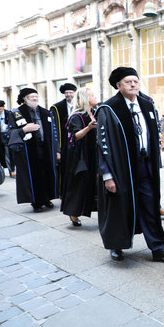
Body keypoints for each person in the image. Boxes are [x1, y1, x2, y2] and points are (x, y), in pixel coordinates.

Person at [95, 67, 164, 262]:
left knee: (150, 204)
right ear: (118, 85)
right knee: (120, 205)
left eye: (135, 81)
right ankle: (116, 245)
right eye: (128, 82)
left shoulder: (147, 104)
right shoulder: (109, 109)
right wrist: (107, 175)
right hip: (121, 167)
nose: (133, 84)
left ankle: (157, 247)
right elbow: (102, 145)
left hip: (146, 166)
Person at [8, 88, 59, 212]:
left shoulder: (46, 112)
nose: (35, 99)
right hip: (28, 152)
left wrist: (57, 150)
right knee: (33, 175)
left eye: (36, 96)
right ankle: (36, 201)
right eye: (32, 97)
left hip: (45, 149)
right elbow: (9, 133)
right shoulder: (16, 113)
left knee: (46, 173)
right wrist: (24, 130)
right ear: (25, 99)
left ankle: (47, 198)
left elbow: (54, 133)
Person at [60, 87, 98, 227]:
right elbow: (76, 136)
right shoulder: (76, 116)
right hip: (80, 156)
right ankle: (73, 212)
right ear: (85, 99)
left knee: (95, 185)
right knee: (79, 185)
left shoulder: (96, 112)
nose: (95, 97)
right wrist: (88, 128)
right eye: (92, 95)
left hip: (95, 155)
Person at [50, 83, 77, 192]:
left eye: (70, 92)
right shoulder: (57, 108)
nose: (68, 94)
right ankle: (64, 191)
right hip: (64, 141)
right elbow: (54, 127)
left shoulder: (79, 105)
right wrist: (57, 148)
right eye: (66, 93)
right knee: (64, 166)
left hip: (76, 139)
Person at [0, 100, 15, 177]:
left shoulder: (9, 113)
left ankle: (11, 171)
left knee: (9, 153)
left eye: (0, 109)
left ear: (4, 107)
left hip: (7, 136)